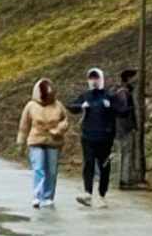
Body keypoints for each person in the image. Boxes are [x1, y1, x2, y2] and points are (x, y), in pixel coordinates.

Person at [68, 67, 127, 208]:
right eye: (91, 78)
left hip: (106, 137)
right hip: (88, 136)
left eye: (96, 78)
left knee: (104, 166)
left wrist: (110, 107)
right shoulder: (86, 96)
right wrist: (81, 106)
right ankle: (88, 193)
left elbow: (123, 111)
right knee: (88, 164)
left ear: (101, 79)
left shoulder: (110, 96)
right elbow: (71, 106)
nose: (94, 81)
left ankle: (102, 194)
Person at [17, 77, 70, 208]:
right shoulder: (31, 106)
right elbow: (24, 126)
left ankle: (48, 197)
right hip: (36, 140)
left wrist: (59, 129)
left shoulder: (58, 105)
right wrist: (20, 143)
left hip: (54, 141)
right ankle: (37, 196)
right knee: (39, 169)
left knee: (51, 171)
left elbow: (65, 121)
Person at [113, 69, 141, 189]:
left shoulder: (119, 92)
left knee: (124, 153)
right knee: (126, 153)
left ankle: (123, 178)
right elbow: (124, 110)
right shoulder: (124, 93)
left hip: (121, 127)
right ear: (128, 79)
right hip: (124, 127)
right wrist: (131, 125)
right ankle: (124, 179)